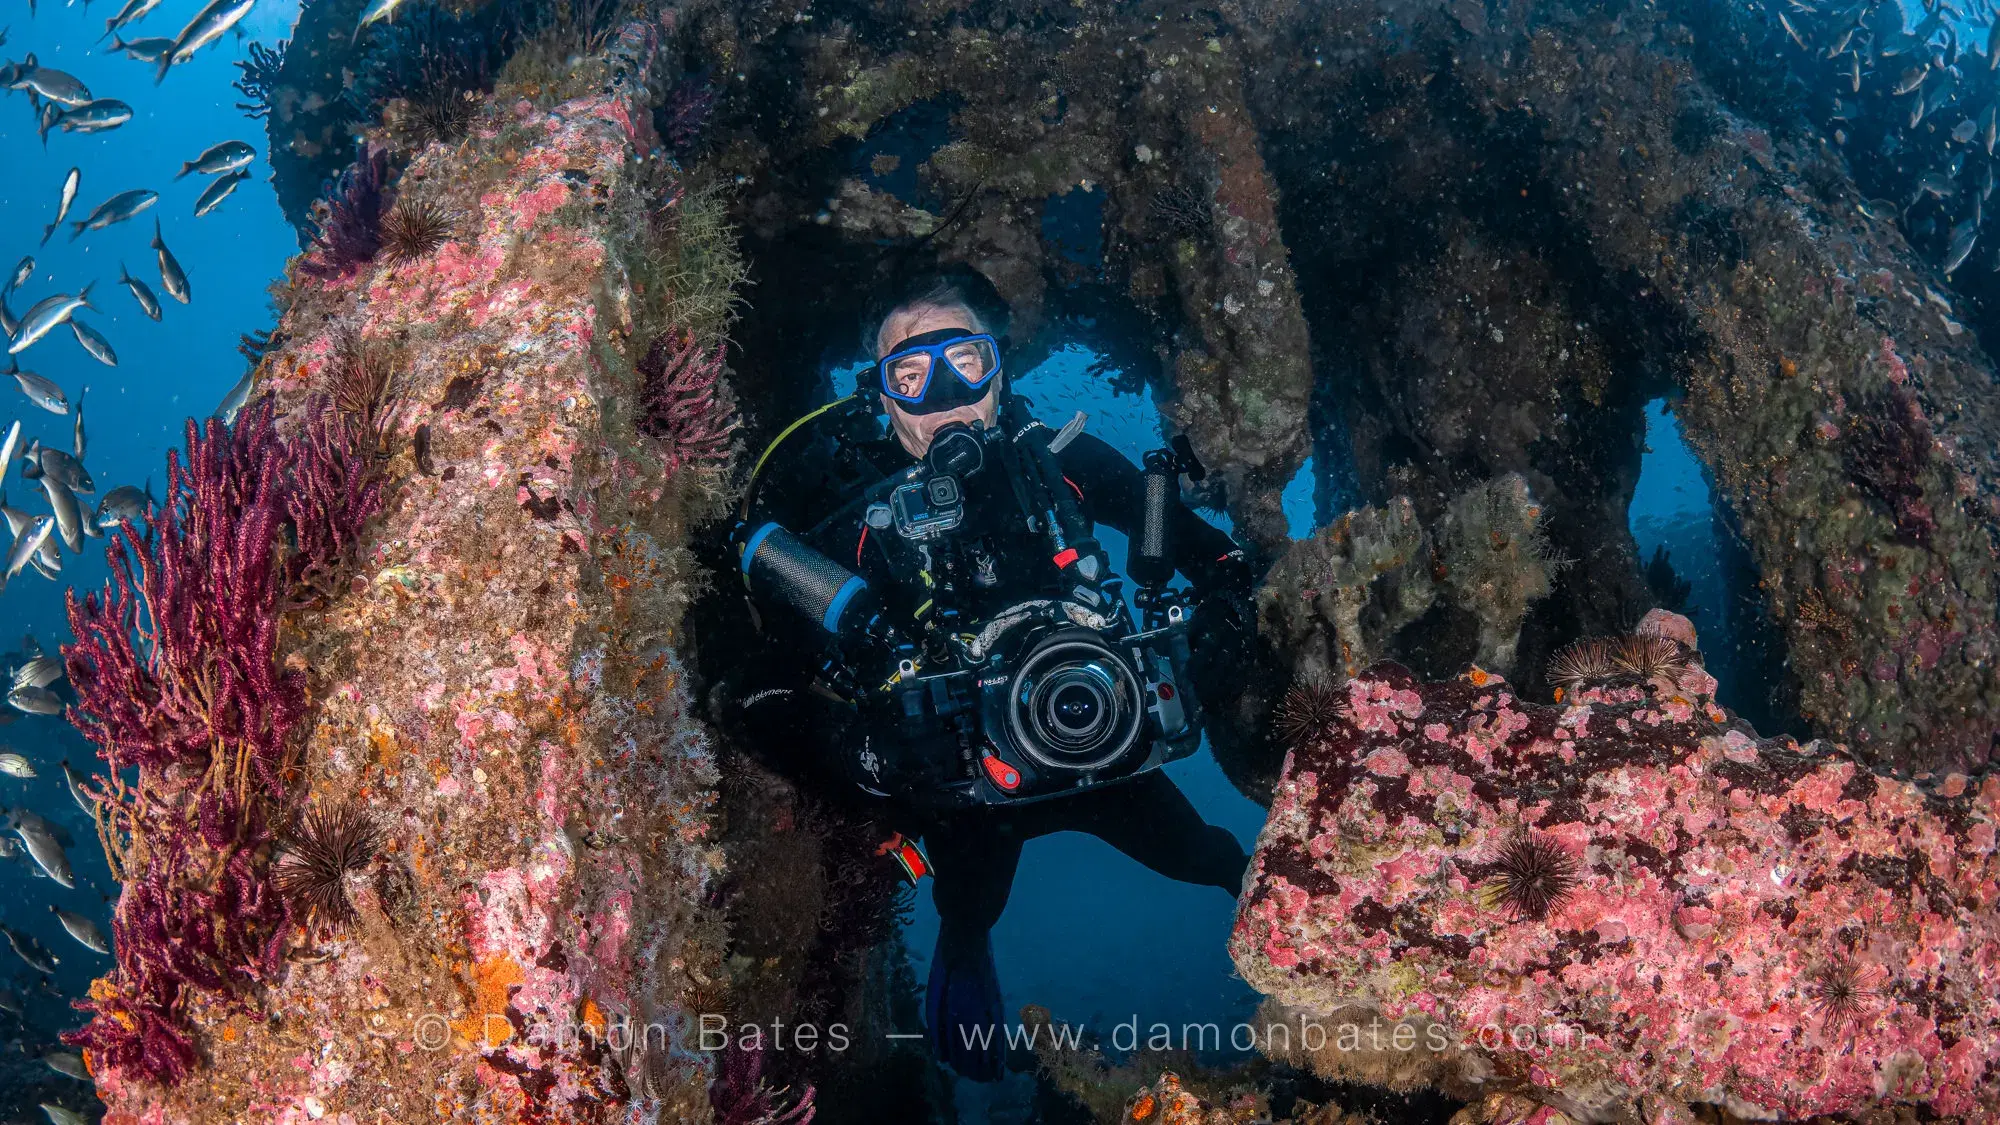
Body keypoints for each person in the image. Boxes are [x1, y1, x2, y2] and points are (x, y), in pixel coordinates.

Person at [720, 272, 1255, 1082]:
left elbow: (1217, 560)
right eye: (910, 374)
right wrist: (870, 754)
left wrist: (1217, 635)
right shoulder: (852, 518)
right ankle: (967, 985)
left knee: (1203, 853)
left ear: (999, 369)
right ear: (881, 398)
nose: (944, 396)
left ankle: (1306, 930)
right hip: (967, 792)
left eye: (963, 362)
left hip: (1100, 743)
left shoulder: (1062, 461)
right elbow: (753, 694)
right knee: (968, 907)